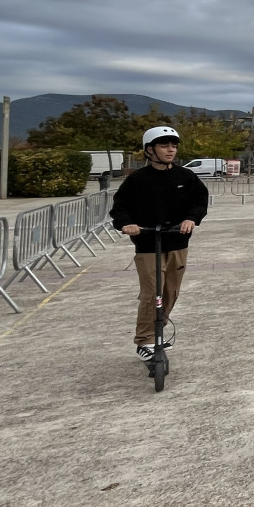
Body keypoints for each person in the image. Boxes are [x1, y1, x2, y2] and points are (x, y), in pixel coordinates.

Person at [109, 126, 209, 364]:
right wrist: (127, 224)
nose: (171, 150)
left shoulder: (186, 177)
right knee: (151, 292)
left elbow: (200, 201)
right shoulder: (137, 180)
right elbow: (119, 208)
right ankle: (144, 340)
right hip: (147, 244)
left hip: (177, 241)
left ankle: (158, 327)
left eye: (173, 146)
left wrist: (191, 218)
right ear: (150, 150)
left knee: (170, 291)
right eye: (165, 145)